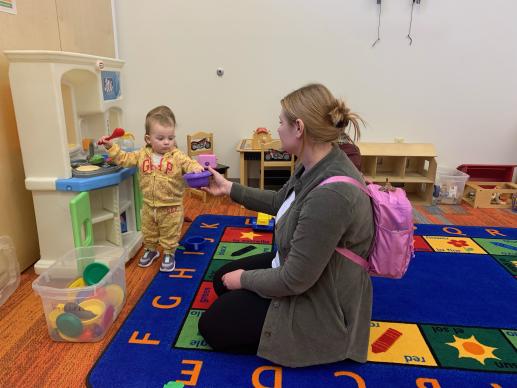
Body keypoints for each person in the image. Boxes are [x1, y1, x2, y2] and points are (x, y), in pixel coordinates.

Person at [198, 84, 375, 367]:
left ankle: (313, 338)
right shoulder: (316, 162)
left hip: (321, 292)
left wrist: (244, 279)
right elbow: (281, 201)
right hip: (302, 263)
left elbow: (295, 280)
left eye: (281, 122)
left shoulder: (331, 195)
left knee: (213, 326)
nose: (277, 128)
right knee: (221, 280)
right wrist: (229, 188)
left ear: (299, 128)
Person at [98, 105, 204, 272]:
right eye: (160, 138)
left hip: (171, 207)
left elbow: (189, 163)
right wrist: (111, 147)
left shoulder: (177, 156)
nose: (166, 142)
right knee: (149, 231)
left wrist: (196, 167)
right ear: (148, 139)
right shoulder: (141, 154)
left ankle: (169, 253)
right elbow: (124, 159)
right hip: (149, 205)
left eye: (170, 137)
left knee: (170, 232)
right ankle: (151, 250)